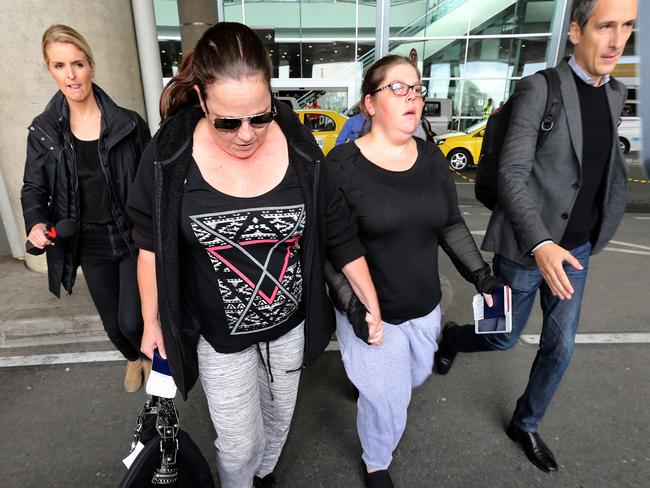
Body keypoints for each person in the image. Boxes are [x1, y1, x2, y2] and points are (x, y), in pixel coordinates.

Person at [127, 22, 381, 488]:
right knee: (239, 444)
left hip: (290, 327)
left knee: (278, 426)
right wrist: (152, 320)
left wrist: (370, 302)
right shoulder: (168, 156)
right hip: (218, 336)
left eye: (260, 117)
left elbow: (339, 232)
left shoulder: (302, 150)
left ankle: (262, 478)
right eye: (228, 121)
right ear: (202, 100)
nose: (247, 134)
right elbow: (149, 245)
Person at [435, 0, 637, 473]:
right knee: (502, 337)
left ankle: (526, 423)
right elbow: (511, 174)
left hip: (577, 251)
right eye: (605, 26)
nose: (616, 39)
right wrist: (541, 243)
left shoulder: (616, 93)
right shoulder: (538, 89)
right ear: (574, 31)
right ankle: (452, 338)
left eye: (627, 27)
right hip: (527, 250)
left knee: (560, 345)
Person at [325, 55, 500, 488]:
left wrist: (482, 276)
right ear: (369, 103)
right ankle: (375, 461)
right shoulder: (341, 167)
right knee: (388, 400)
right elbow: (329, 251)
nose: (413, 97)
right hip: (372, 313)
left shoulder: (432, 158)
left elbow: (451, 223)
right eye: (398, 88)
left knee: (415, 375)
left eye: (417, 89)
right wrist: (352, 308)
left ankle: (369, 386)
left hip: (424, 305)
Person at [21, 25, 151, 392]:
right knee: (113, 325)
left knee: (131, 320)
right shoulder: (44, 131)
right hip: (88, 242)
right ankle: (132, 358)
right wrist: (36, 222)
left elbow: (152, 182)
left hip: (130, 236)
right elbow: (33, 187)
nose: (71, 74)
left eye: (77, 63)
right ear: (50, 70)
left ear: (92, 65)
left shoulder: (129, 124)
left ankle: (146, 353)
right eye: (60, 65)